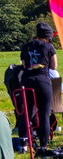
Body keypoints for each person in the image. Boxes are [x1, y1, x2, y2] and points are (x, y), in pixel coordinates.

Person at [17, 21, 58, 149]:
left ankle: (23, 144)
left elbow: (23, 64)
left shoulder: (26, 46)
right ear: (48, 36)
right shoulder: (49, 47)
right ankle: (43, 146)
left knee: (26, 113)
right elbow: (53, 66)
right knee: (44, 114)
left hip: (27, 81)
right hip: (42, 81)